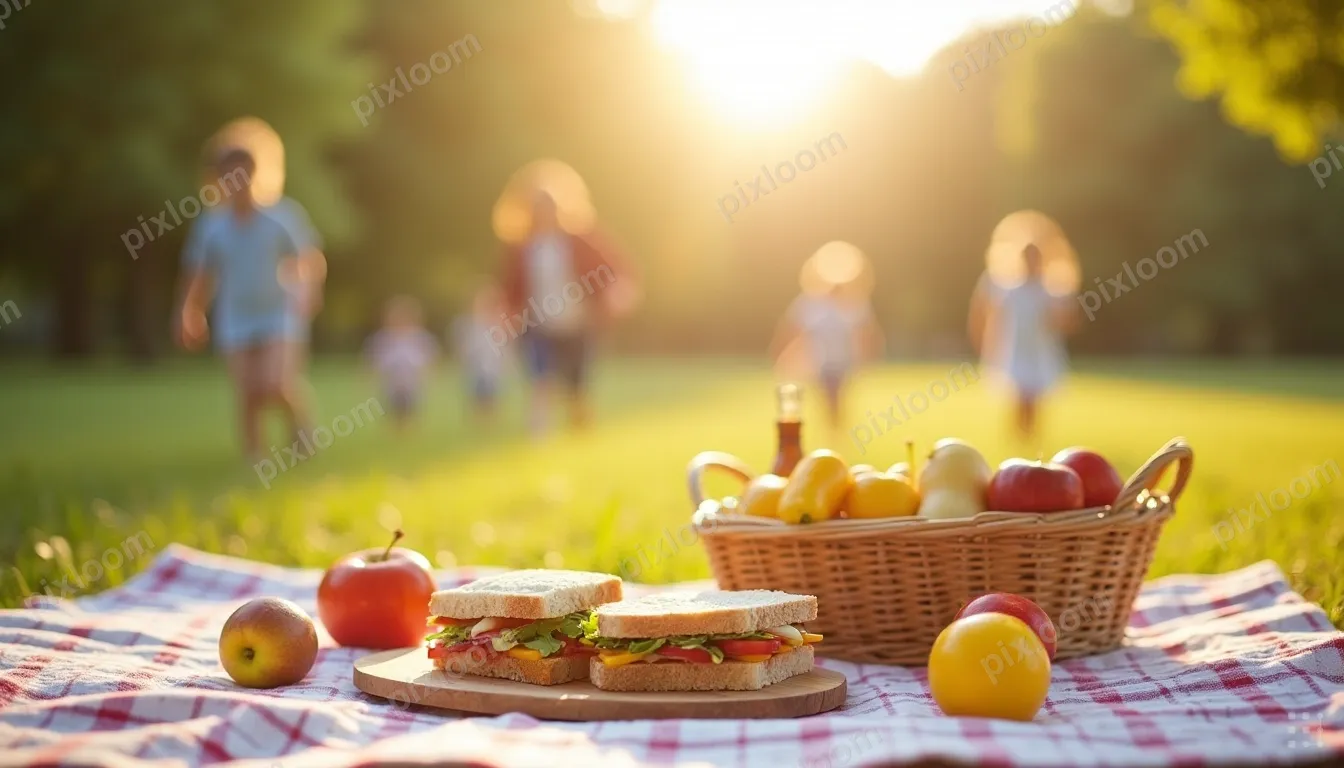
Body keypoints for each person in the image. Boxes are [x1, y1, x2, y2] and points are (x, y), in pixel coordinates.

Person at [176, 148, 323, 461]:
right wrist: (189, 312)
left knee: (275, 383)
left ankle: (300, 421)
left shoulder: (282, 215)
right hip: (235, 317)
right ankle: (256, 460)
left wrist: (308, 291)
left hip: (279, 312)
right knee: (248, 391)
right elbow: (199, 274)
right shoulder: (211, 226)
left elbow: (308, 257)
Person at [498, 182, 637, 434]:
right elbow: (510, 287)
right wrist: (505, 315)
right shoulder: (523, 249)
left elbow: (612, 267)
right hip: (538, 323)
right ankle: (538, 437)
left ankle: (580, 434)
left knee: (577, 388)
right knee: (541, 380)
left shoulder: (577, 241)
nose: (544, 213)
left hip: (577, 322)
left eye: (548, 207)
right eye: (538, 208)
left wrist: (618, 291)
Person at [969, 242, 1078, 443]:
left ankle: (1031, 436)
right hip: (1016, 349)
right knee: (1019, 394)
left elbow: (1064, 322)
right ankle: (1018, 436)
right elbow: (991, 312)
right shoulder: (1011, 291)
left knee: (1035, 396)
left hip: (1039, 351)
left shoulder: (1047, 291)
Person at [771, 242, 883, 433]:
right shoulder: (811, 303)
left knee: (837, 398)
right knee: (828, 399)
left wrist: (867, 355)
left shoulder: (854, 304)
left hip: (843, 362)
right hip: (822, 362)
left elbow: (866, 333)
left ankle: (836, 431)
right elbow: (794, 330)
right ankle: (833, 431)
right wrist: (782, 354)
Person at [365, 296, 440, 431]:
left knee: (410, 408)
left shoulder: (419, 338)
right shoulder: (384, 339)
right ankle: (396, 429)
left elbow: (429, 360)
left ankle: (408, 429)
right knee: (394, 409)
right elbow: (375, 361)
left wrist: (429, 377)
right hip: (392, 384)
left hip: (412, 384)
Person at [451, 284, 508, 424]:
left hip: (492, 368)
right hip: (474, 368)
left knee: (491, 396)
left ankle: (490, 421)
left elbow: (503, 347)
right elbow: (463, 345)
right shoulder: (468, 324)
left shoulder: (498, 324)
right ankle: (475, 421)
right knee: (475, 395)